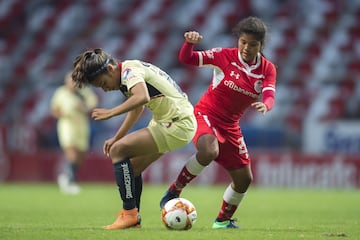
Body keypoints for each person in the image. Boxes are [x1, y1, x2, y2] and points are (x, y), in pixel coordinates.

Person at [160, 16, 277, 229]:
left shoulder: (267, 69)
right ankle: (174, 190)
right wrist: (189, 43)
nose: (246, 48)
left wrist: (266, 106)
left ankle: (222, 221)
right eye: (243, 42)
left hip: (230, 125)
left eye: (252, 44)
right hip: (206, 114)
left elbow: (269, 94)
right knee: (209, 150)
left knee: (244, 179)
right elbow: (188, 59)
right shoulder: (224, 55)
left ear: (261, 45)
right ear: (238, 40)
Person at [71, 48, 196, 230]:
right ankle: (133, 218)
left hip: (176, 123)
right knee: (133, 167)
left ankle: (129, 214)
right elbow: (138, 108)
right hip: (171, 121)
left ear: (111, 70)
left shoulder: (130, 71)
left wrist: (111, 113)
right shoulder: (127, 75)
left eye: (102, 83)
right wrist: (117, 137)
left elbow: (142, 97)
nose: (104, 90)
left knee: (118, 151)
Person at [51, 71, 98, 194]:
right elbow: (54, 110)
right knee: (72, 152)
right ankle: (70, 180)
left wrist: (83, 107)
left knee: (80, 156)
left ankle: (66, 176)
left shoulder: (84, 92)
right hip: (67, 126)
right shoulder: (60, 93)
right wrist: (64, 114)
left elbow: (93, 106)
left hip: (82, 126)